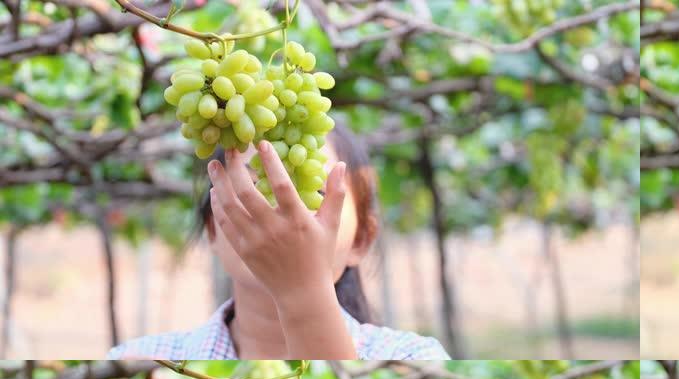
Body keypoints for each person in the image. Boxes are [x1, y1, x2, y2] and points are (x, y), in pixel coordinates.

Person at [109, 125, 449, 360]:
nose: (280, 213)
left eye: (314, 192)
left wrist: (303, 292)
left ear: (361, 239)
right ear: (214, 228)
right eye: (253, 189)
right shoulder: (142, 358)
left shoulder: (412, 356)